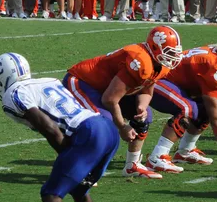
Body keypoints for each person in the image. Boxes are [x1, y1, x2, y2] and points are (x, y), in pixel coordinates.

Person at [0, 53, 119, 202]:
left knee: (51, 193)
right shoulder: (48, 80)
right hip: (106, 129)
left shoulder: (14, 94)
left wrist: (67, 155)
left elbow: (50, 128)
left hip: (88, 133)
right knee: (80, 189)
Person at [63, 26, 183, 179]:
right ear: (154, 47)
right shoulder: (140, 61)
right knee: (102, 124)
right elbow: (110, 99)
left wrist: (141, 107)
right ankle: (78, 168)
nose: (173, 57)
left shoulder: (159, 65)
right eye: (169, 52)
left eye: (174, 52)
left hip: (108, 88)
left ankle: (132, 165)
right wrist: (122, 126)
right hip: (84, 82)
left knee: (144, 118)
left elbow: (147, 88)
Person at [146, 36, 217, 174]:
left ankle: (185, 151)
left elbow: (216, 100)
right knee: (188, 109)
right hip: (158, 80)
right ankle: (158, 156)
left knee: (204, 109)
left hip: (175, 85)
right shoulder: (215, 66)